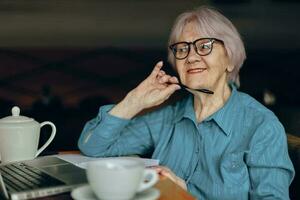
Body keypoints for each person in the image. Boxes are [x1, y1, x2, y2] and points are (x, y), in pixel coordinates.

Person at [78, 6, 294, 199]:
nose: (191, 57)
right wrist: (134, 101)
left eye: (204, 46)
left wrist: (184, 196)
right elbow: (93, 147)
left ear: (229, 59)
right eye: (182, 49)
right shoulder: (166, 118)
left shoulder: (261, 126)